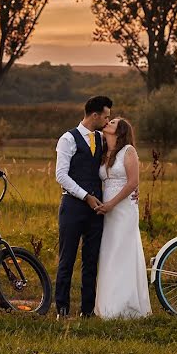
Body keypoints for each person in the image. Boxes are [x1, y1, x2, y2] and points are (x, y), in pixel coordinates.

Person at [54, 95, 112, 319]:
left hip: (96, 209)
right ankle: (62, 309)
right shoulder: (67, 139)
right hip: (73, 207)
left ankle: (87, 311)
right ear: (94, 115)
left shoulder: (101, 138)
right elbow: (61, 175)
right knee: (67, 259)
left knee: (91, 260)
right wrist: (85, 196)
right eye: (105, 117)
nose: (108, 121)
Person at [93, 117, 152, 319]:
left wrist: (111, 204)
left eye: (113, 123)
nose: (108, 122)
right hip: (107, 210)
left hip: (123, 208)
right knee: (109, 252)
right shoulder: (104, 150)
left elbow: (133, 182)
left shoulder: (128, 151)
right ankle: (108, 304)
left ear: (120, 131)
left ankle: (126, 306)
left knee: (123, 251)